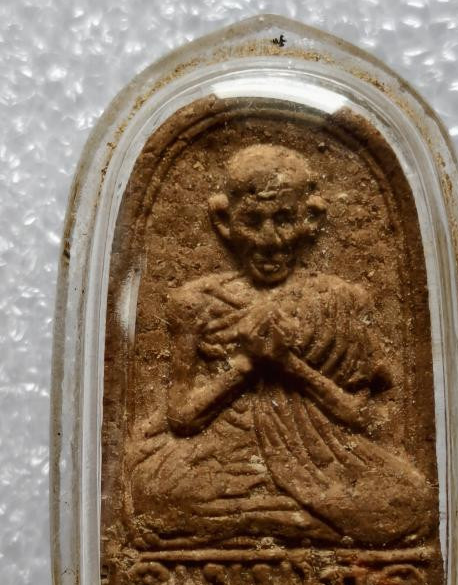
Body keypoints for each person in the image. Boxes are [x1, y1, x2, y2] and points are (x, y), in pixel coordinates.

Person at [129, 144, 436, 548]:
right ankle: (307, 524)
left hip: (324, 457)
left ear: (311, 220)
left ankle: (249, 522)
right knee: (149, 491)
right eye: (252, 220)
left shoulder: (341, 299)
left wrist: (290, 365)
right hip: (224, 461)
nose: (270, 240)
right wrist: (245, 364)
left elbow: (364, 416)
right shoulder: (195, 301)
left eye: (285, 219)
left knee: (410, 500)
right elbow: (182, 418)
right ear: (224, 221)